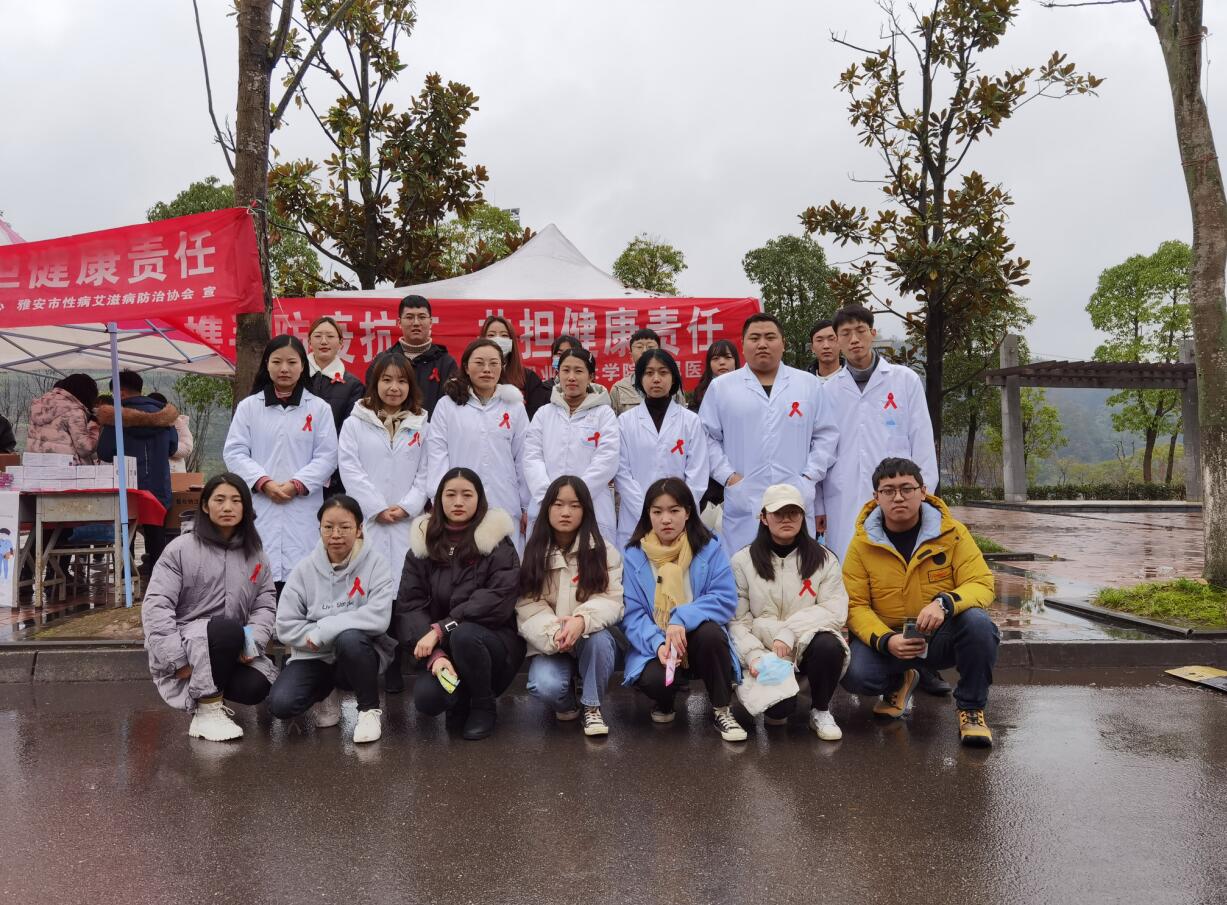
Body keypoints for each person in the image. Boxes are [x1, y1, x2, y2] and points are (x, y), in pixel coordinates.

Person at [819, 305, 944, 694]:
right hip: (843, 501)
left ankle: (922, 664)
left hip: (898, 499)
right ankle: (867, 653)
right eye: (845, 334)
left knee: (906, 577)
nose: (853, 339)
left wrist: (924, 497)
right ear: (837, 341)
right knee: (854, 582)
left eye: (860, 330)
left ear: (873, 333)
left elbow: (922, 440)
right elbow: (820, 449)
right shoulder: (826, 390)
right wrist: (819, 507)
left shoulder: (904, 380)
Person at [839, 458, 998, 747]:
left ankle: (972, 709)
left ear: (923, 491)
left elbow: (981, 583)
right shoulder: (862, 544)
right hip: (890, 638)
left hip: (938, 635)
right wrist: (886, 640)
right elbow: (855, 604)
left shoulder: (952, 534)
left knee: (979, 624)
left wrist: (945, 603)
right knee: (855, 674)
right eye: (888, 491)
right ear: (876, 497)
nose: (898, 497)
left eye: (906, 488)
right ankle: (899, 681)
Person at [140, 473, 278, 741]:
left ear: (246, 507)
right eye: (219, 500)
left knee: (256, 686)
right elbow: (157, 607)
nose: (228, 507)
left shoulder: (256, 555)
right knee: (226, 630)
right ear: (205, 505)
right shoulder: (180, 549)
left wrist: (252, 645)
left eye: (236, 500)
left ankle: (213, 697)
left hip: (231, 645)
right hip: (185, 646)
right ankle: (207, 711)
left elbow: (265, 604)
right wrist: (176, 660)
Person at [396, 468, 524, 741]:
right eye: (450, 494)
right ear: (438, 499)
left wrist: (442, 628)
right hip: (444, 647)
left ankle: (483, 705)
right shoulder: (422, 546)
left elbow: (496, 600)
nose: (458, 502)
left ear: (480, 499)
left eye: (467, 495)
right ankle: (460, 699)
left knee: (465, 635)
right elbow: (410, 607)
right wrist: (435, 655)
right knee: (428, 699)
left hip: (492, 644)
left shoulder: (497, 544)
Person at [699, 313, 838, 557]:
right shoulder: (722, 387)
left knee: (797, 568)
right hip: (745, 498)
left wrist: (809, 477)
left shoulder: (807, 384)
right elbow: (706, 438)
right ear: (743, 344)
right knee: (744, 569)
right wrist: (729, 477)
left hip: (795, 494)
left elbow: (826, 436)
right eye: (755, 338)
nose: (762, 344)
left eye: (770, 337)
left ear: (783, 343)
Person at [620, 477, 747, 742]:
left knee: (712, 634)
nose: (666, 519)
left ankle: (722, 709)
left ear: (688, 512)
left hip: (697, 639)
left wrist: (680, 618)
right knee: (655, 680)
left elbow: (724, 598)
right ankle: (664, 701)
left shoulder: (709, 548)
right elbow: (632, 615)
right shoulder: (634, 555)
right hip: (658, 643)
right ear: (648, 515)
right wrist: (658, 644)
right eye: (657, 511)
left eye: (674, 510)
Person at [267, 495, 396, 744]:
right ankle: (326, 692)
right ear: (319, 529)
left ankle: (368, 711)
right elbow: (285, 625)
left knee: (350, 639)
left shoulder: (376, 564)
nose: (335, 535)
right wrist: (316, 637)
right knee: (281, 704)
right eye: (328, 527)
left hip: (357, 654)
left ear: (359, 529)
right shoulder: (304, 570)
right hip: (313, 655)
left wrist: (325, 630)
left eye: (344, 527)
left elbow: (379, 617)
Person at [337, 351, 430, 693]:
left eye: (402, 381)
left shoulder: (422, 424)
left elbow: (426, 472)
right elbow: (350, 468)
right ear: (375, 383)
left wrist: (407, 507)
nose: (394, 387)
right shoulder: (355, 423)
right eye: (387, 380)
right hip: (372, 521)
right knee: (372, 590)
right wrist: (377, 507)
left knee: (407, 591)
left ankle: (404, 661)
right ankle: (376, 663)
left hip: (407, 522)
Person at [730, 484, 849, 741]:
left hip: (805, 642)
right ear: (764, 517)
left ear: (803, 516)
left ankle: (820, 710)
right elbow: (737, 619)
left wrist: (789, 631)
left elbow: (834, 609)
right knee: (778, 713)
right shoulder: (742, 560)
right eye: (778, 513)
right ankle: (783, 697)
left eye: (793, 513)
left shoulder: (824, 559)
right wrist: (752, 655)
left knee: (829, 645)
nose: (787, 519)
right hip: (764, 648)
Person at [223, 335, 339, 592]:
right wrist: (264, 483)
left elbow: (328, 456)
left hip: (302, 507)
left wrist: (296, 484)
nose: (284, 368)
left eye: (292, 362)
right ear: (266, 365)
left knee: (302, 580)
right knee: (259, 575)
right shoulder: (249, 407)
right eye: (277, 362)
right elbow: (235, 452)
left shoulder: (319, 408)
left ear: (303, 366)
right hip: (262, 504)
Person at [517, 476, 624, 736]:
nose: (566, 512)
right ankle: (568, 703)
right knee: (544, 686)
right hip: (552, 642)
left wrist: (581, 620)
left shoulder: (603, 551)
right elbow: (528, 606)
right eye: (558, 504)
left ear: (586, 510)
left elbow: (612, 600)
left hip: (590, 637)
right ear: (547, 509)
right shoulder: (532, 553)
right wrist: (556, 633)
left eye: (575, 505)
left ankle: (592, 706)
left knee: (600, 641)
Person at [427, 339, 530, 552]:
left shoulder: (514, 406)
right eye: (479, 363)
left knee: (506, 562)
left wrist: (527, 505)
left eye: (494, 363)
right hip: (460, 503)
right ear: (466, 367)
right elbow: (437, 455)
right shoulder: (447, 405)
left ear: (502, 367)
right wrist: (439, 499)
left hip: (504, 500)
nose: (487, 369)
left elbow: (523, 458)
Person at [524, 347, 619, 542]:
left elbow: (607, 459)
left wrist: (577, 498)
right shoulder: (544, 413)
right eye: (566, 370)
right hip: (546, 506)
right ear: (558, 374)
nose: (571, 377)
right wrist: (550, 499)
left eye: (579, 371)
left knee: (590, 557)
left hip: (592, 506)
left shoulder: (604, 414)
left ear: (591, 376)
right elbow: (532, 457)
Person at [615, 349, 708, 547]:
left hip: (680, 520)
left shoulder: (690, 421)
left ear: (673, 378)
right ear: (639, 379)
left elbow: (697, 474)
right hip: (635, 519)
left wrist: (677, 511)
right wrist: (648, 511)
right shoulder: (625, 422)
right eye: (649, 373)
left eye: (663, 372)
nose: (656, 379)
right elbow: (622, 474)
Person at [97, 371, 178, 575]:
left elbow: (104, 452)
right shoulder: (165, 416)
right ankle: (160, 579)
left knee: (126, 534)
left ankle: (127, 578)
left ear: (121, 392)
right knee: (156, 537)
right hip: (159, 486)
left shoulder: (114, 418)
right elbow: (173, 448)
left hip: (127, 486)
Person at [306, 315, 365, 496]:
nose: (324, 341)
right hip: (293, 463)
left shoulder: (353, 385)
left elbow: (347, 433)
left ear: (340, 343)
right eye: (318, 336)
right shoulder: (296, 378)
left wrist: (325, 466)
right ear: (309, 342)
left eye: (330, 336)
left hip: (333, 475)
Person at [690, 340, 740, 524]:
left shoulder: (748, 391)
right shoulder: (700, 395)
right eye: (716, 358)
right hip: (711, 476)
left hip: (742, 470)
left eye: (727, 357)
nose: (722, 362)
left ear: (736, 361)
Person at [387, 295, 458, 415]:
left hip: (434, 427)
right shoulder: (383, 361)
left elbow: (454, 407)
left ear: (430, 322)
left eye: (422, 317)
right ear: (399, 322)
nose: (416, 323)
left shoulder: (446, 363)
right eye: (409, 317)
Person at [481, 315, 550, 418]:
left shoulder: (529, 378)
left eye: (504, 335)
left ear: (511, 341)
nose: (498, 339)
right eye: (491, 335)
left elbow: (536, 418)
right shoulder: (474, 376)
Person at [608, 328, 687, 415]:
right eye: (639, 347)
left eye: (650, 347)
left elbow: (682, 415)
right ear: (631, 356)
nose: (645, 351)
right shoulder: (620, 388)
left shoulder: (671, 384)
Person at [25, 373, 100, 463]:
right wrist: (94, 427)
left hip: (35, 465)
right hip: (66, 467)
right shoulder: (74, 410)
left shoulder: (39, 407)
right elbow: (85, 449)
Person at [148, 392, 194, 474]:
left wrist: (165, 446)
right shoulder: (146, 421)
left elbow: (187, 448)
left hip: (175, 471)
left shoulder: (177, 422)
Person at [808, 319, 843, 383]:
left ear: (841, 343)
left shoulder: (854, 379)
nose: (826, 346)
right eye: (819, 340)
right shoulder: (804, 381)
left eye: (831, 339)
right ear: (812, 348)